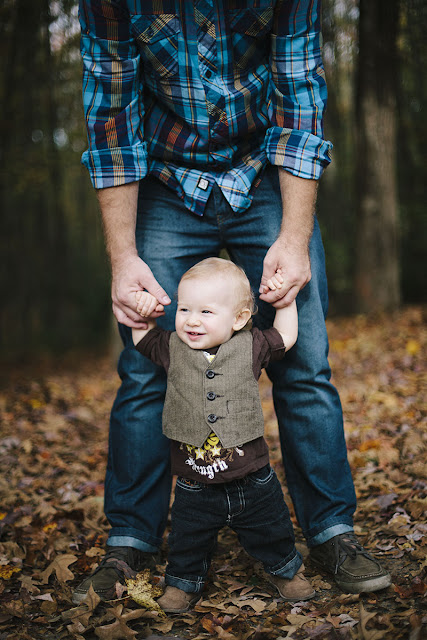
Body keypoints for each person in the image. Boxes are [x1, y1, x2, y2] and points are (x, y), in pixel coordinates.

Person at [73, 0, 391, 605]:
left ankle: (331, 532)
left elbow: (300, 95)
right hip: (163, 182)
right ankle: (131, 541)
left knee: (305, 365)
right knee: (146, 373)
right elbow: (110, 115)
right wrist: (123, 257)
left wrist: (293, 238)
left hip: (267, 174)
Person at [130, 257, 315, 612]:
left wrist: (285, 302)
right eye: (185, 309)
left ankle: (286, 570)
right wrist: (144, 312)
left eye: (206, 312)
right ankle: (183, 582)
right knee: (187, 536)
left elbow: (287, 337)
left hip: (252, 476)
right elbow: (143, 339)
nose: (191, 320)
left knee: (271, 526)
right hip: (194, 480)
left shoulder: (252, 345)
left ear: (239, 318)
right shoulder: (171, 346)